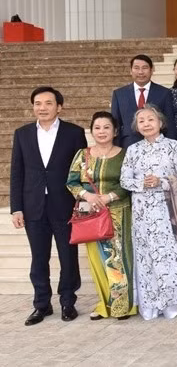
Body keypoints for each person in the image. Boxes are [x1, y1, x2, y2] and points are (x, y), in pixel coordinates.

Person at [10, 87, 87, 326]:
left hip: (64, 205)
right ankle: (41, 305)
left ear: (59, 107)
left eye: (48, 103)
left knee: (68, 256)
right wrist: (17, 208)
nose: (42, 108)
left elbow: (82, 171)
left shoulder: (73, 133)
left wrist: (82, 202)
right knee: (39, 258)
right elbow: (17, 172)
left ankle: (67, 302)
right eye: (37, 103)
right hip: (33, 207)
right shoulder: (22, 134)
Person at [120, 105, 177, 320]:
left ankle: (170, 302)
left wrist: (161, 182)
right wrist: (143, 183)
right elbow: (124, 180)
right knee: (145, 257)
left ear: (160, 123)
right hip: (142, 212)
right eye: (141, 120)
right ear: (137, 126)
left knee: (168, 256)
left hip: (167, 209)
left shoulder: (173, 146)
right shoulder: (133, 150)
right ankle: (149, 303)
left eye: (150, 119)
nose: (146, 123)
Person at [66, 111, 136, 320]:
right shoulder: (83, 155)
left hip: (119, 213)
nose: (102, 131)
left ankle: (123, 306)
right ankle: (104, 305)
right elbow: (72, 182)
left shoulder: (125, 154)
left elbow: (130, 183)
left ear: (115, 131)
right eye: (97, 127)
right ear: (91, 131)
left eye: (106, 127)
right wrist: (87, 195)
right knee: (98, 260)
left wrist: (110, 197)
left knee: (119, 259)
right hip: (91, 216)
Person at [111, 54, 176, 147]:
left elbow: (170, 124)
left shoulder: (164, 93)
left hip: (157, 146)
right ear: (130, 71)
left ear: (151, 70)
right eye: (136, 68)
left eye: (144, 68)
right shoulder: (119, 94)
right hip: (127, 146)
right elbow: (115, 125)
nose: (140, 72)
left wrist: (171, 147)